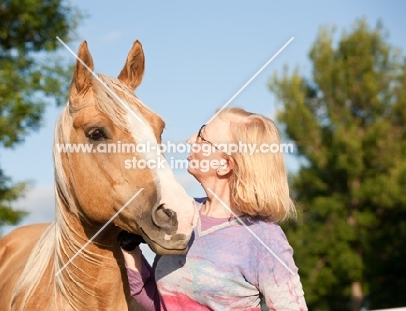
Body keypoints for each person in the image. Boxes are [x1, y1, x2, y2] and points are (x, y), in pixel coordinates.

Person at [118, 107, 308, 310]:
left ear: (225, 164)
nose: (191, 140)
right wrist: (130, 249)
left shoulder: (264, 238)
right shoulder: (183, 216)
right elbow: (159, 301)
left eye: (202, 137)